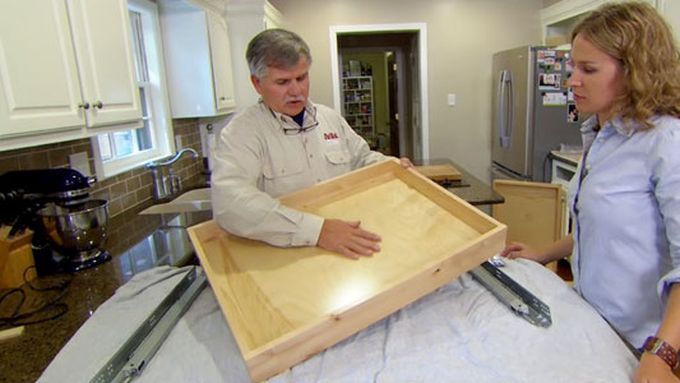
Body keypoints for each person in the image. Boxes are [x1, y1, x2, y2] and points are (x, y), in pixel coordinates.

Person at [501, 2, 680, 381]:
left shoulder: (667, 142)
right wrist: (544, 252)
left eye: (588, 69)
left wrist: (662, 353)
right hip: (600, 326)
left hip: (649, 343)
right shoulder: (603, 135)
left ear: (636, 71)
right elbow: (600, 225)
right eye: (571, 68)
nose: (572, 80)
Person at [211, 28, 411, 260]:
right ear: (257, 83)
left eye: (301, 77)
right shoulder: (242, 133)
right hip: (290, 257)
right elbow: (231, 204)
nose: (296, 91)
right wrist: (316, 231)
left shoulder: (329, 118)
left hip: (346, 243)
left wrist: (392, 165)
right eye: (283, 81)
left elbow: (361, 160)